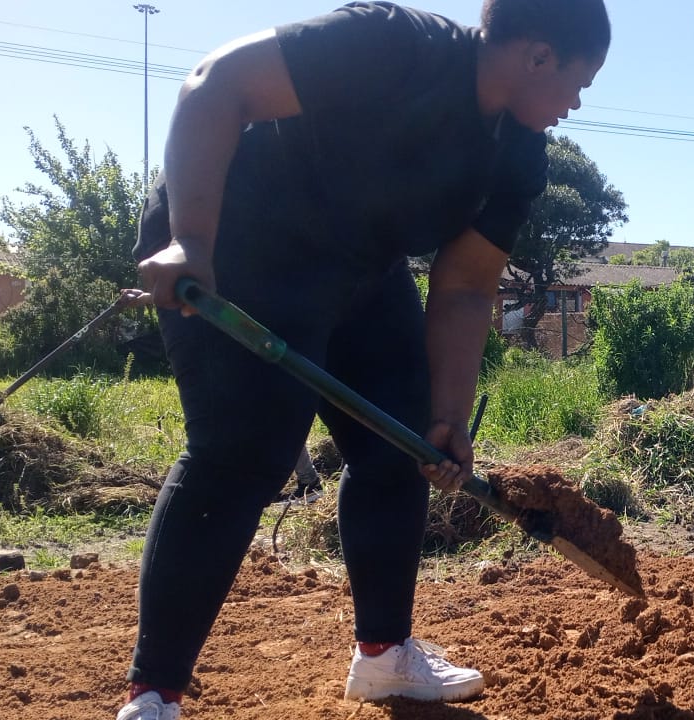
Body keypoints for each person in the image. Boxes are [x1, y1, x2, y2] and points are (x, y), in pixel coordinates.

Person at [119, 1, 609, 718]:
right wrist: (190, 238)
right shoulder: (392, 44)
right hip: (239, 241)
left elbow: (468, 287)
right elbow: (215, 84)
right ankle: (153, 692)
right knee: (243, 454)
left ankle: (384, 657)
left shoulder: (517, 155)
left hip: (360, 270)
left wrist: (446, 417)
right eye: (579, 83)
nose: (575, 105)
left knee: (400, 443)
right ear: (538, 55)